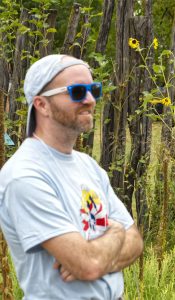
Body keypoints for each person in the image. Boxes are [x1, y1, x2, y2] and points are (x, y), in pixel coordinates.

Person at [0, 54, 143, 299]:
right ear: (41, 104)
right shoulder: (24, 175)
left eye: (93, 90)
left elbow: (136, 243)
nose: (89, 99)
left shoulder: (88, 166)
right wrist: (116, 233)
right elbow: (89, 264)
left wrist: (97, 258)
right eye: (77, 91)